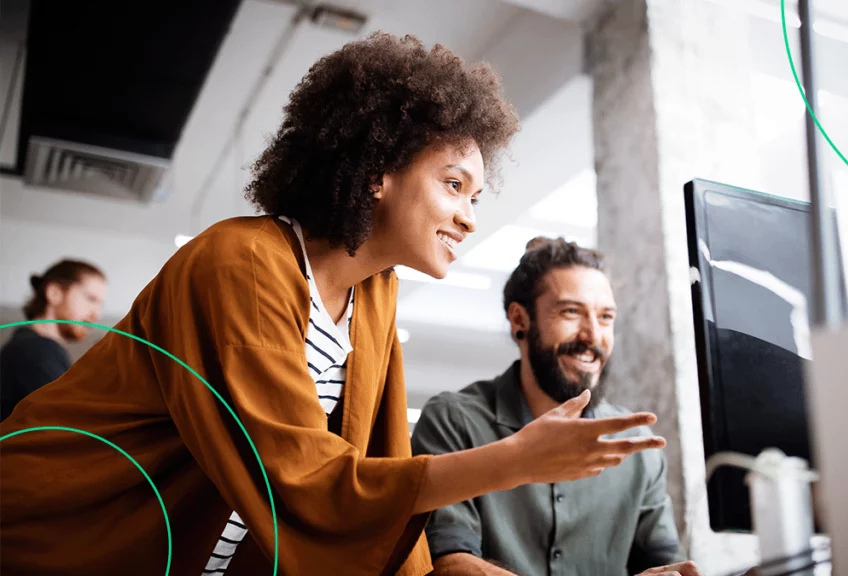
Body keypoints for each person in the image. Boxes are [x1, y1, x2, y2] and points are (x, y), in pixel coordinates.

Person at [0, 33, 667, 576]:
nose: (468, 219)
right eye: (455, 184)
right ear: (379, 168)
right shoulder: (241, 263)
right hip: (55, 535)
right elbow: (305, 479)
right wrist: (516, 459)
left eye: (476, 198)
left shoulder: (374, 296)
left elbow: (371, 471)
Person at [412, 238, 705, 576]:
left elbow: (665, 562)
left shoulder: (637, 445)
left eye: (606, 317)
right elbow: (449, 562)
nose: (592, 335)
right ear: (520, 320)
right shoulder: (453, 421)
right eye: (571, 311)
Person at [0, 259, 106, 420]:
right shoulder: (36, 350)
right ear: (54, 293)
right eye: (90, 299)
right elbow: (69, 425)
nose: (96, 314)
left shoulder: (34, 347)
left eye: (100, 305)